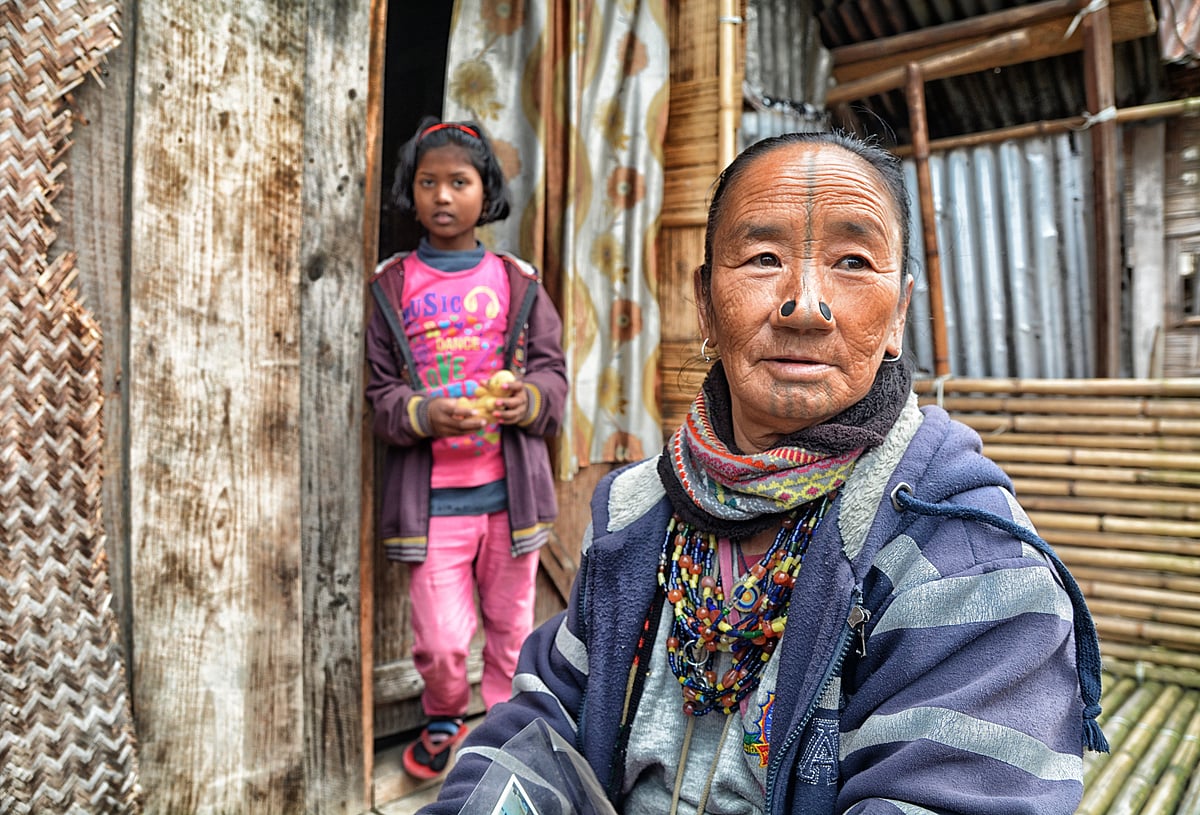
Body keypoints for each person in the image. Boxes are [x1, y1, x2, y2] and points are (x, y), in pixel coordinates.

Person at [419, 130, 1106, 814]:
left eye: (853, 260)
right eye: (763, 256)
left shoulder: (969, 558)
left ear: (898, 312)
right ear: (705, 304)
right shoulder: (635, 515)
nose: (805, 302)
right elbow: (537, 727)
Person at [365, 116, 568, 780]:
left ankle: (505, 730)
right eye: (428, 183)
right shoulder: (392, 284)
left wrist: (528, 401)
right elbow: (379, 396)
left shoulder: (517, 279)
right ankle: (446, 712)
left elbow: (552, 374)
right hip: (434, 505)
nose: (443, 196)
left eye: (460, 181)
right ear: (411, 191)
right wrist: (426, 413)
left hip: (511, 499)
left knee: (511, 632)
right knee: (445, 640)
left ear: (487, 193)